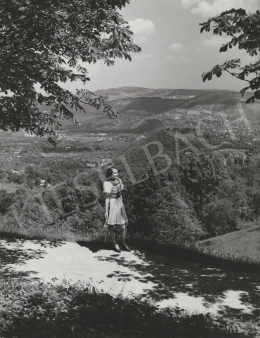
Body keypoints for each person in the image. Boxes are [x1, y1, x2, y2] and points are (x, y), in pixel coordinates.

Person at [103, 166, 131, 252]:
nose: (116, 174)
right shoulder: (107, 183)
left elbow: (120, 193)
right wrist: (106, 211)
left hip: (119, 203)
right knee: (112, 226)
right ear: (110, 174)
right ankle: (115, 243)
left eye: (117, 172)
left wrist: (121, 205)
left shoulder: (119, 181)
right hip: (112, 203)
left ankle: (123, 242)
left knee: (123, 226)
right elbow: (107, 198)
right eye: (114, 173)